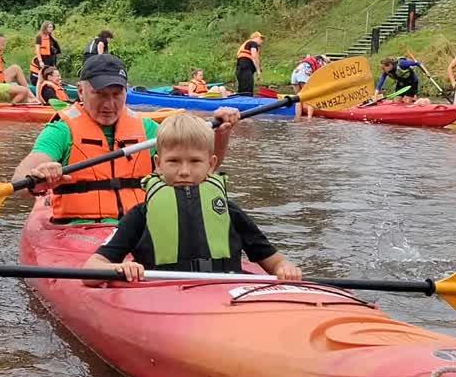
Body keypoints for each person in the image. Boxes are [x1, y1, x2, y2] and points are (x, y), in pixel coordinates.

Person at [12, 54, 241, 224]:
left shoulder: (148, 128)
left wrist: (222, 132)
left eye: (116, 95)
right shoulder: (62, 130)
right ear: (81, 92)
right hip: (78, 233)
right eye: (100, 94)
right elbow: (22, 178)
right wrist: (39, 175)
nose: (109, 105)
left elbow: (201, 169)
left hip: (138, 230)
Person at [83, 112, 302, 283]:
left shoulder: (228, 211)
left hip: (222, 294)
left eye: (195, 161)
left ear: (211, 164)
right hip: (163, 295)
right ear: (158, 164)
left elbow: (273, 260)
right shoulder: (141, 215)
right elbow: (92, 268)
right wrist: (119, 268)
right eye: (174, 161)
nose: (184, 171)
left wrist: (285, 268)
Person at [290, 53, 325, 117]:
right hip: (304, 72)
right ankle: (309, 119)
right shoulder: (321, 62)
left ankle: (298, 118)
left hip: (295, 72)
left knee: (298, 98)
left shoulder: (310, 59)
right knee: (310, 97)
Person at [30, 21, 60, 86]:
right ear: (45, 27)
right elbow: (37, 50)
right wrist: (40, 61)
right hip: (42, 59)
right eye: (50, 27)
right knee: (43, 73)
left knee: (52, 74)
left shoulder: (52, 38)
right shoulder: (39, 37)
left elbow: (56, 52)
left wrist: (54, 64)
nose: (51, 28)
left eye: (52, 27)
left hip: (49, 60)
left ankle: (54, 85)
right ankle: (40, 84)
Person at [235, 31, 264, 95]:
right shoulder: (253, 43)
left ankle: (241, 101)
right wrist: (258, 70)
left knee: (242, 90)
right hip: (246, 70)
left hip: (240, 70)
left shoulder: (247, 44)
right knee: (247, 91)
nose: (262, 41)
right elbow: (254, 56)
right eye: (260, 38)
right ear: (255, 38)